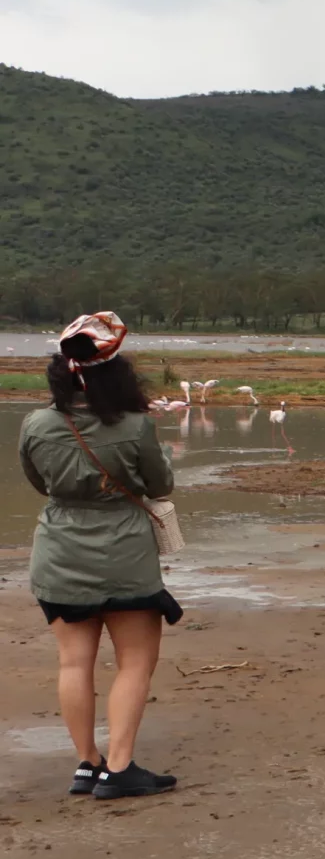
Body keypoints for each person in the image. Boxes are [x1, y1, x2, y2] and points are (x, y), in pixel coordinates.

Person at [18, 312, 181, 800]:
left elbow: (36, 482)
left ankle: (87, 763)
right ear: (117, 375)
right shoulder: (135, 426)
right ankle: (120, 766)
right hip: (125, 557)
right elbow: (161, 484)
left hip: (59, 552)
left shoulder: (36, 424)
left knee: (74, 663)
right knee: (135, 661)